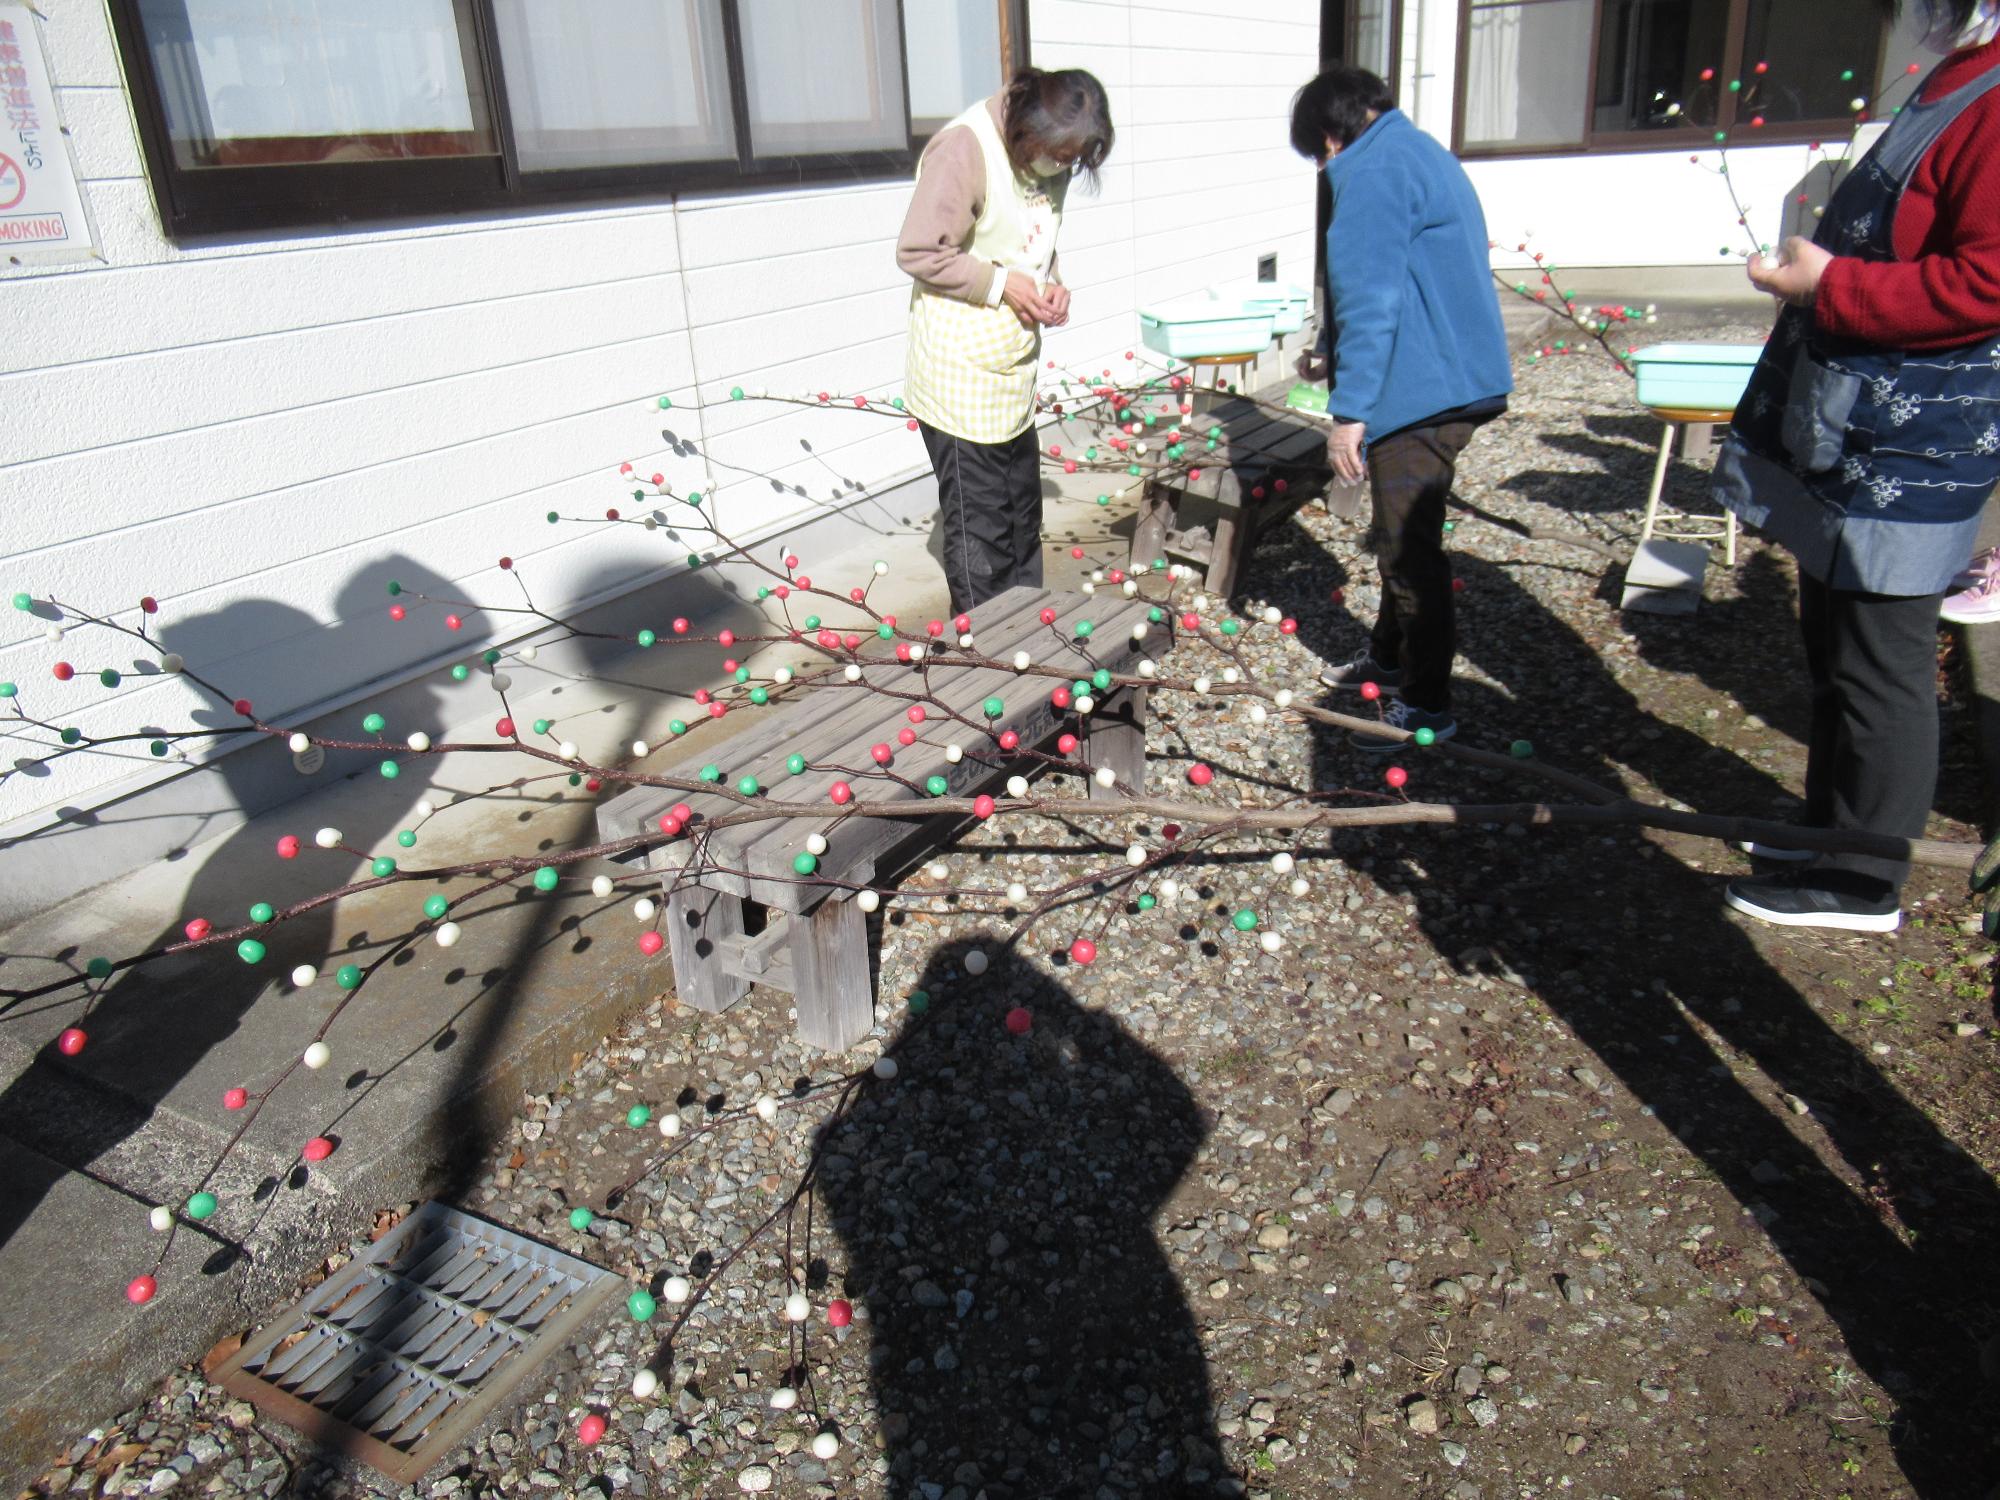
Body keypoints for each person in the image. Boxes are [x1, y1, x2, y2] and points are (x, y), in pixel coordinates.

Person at [1712, 0, 2000, 933]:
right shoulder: (1963, 73)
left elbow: (1987, 280)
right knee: (1831, 639)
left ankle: (1867, 877)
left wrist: (1831, 284)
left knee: (1882, 661)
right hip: (1860, 420)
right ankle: (1827, 829)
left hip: (1917, 440)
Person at [1289, 66, 1512, 750]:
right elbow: (1401, 275)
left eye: (1318, 154)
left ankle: (1427, 707)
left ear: (1331, 137)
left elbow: (1371, 295)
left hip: (1420, 392)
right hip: (1453, 375)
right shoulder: (1417, 151)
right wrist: (1333, 348)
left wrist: (1348, 413)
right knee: (1400, 532)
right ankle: (1389, 662)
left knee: (1409, 555)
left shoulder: (1374, 169)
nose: (1323, 166)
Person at [896, 69, 1114, 615]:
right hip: (958, 378)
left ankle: (1028, 642)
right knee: (981, 539)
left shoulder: (1048, 156)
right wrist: (1000, 284)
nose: (1063, 167)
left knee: (1022, 522)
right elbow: (919, 250)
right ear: (1024, 131)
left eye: (1074, 159)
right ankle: (984, 669)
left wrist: (1053, 283)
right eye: (1058, 155)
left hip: (1010, 376)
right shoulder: (965, 150)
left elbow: (1030, 243)